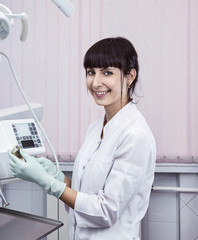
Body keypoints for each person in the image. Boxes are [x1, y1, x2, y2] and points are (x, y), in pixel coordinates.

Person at [8, 37, 156, 240]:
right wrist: (55, 176)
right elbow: (85, 196)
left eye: (107, 73)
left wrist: (49, 184)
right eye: (90, 72)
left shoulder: (135, 135)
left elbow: (106, 211)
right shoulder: (95, 129)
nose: (95, 82)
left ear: (130, 76)